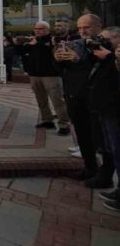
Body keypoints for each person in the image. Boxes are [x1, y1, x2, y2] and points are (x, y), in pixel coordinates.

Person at [55, 14, 114, 188]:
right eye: (79, 28)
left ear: (98, 26)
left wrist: (78, 59)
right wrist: (59, 60)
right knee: (83, 135)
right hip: (75, 96)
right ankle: (90, 167)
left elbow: (104, 67)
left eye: (86, 27)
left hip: (95, 99)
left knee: (102, 140)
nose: (82, 31)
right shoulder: (74, 43)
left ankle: (105, 175)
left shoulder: (105, 45)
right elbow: (64, 70)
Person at [15, 21, 70, 135]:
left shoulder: (53, 40)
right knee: (41, 100)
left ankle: (64, 124)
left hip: (51, 75)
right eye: (35, 28)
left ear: (47, 30)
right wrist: (18, 43)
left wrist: (36, 44)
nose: (37, 30)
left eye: (40, 28)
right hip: (34, 74)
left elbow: (54, 54)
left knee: (57, 101)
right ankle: (47, 120)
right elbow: (19, 52)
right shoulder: (32, 41)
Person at [86, 27, 120, 210]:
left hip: (114, 109)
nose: (102, 42)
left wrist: (110, 57)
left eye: (106, 39)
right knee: (111, 149)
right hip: (104, 108)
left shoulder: (113, 57)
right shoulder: (106, 56)